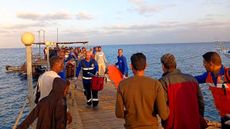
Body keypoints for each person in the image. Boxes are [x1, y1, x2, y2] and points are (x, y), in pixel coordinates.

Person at [115, 53, 169, 129]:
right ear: (146, 66)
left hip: (131, 126)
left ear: (131, 66)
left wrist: (130, 115)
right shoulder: (156, 84)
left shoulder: (123, 85)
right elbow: (164, 115)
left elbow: (119, 113)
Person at [159, 53, 205, 129]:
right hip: (194, 123)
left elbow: (162, 107)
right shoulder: (192, 79)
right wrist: (199, 118)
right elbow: (201, 102)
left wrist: (165, 123)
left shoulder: (163, 82)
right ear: (175, 64)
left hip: (175, 124)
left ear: (163, 66)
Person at [194, 51, 230, 129]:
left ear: (211, 63)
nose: (203, 65)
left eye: (204, 63)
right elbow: (193, 79)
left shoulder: (228, 74)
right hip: (224, 116)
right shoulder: (208, 76)